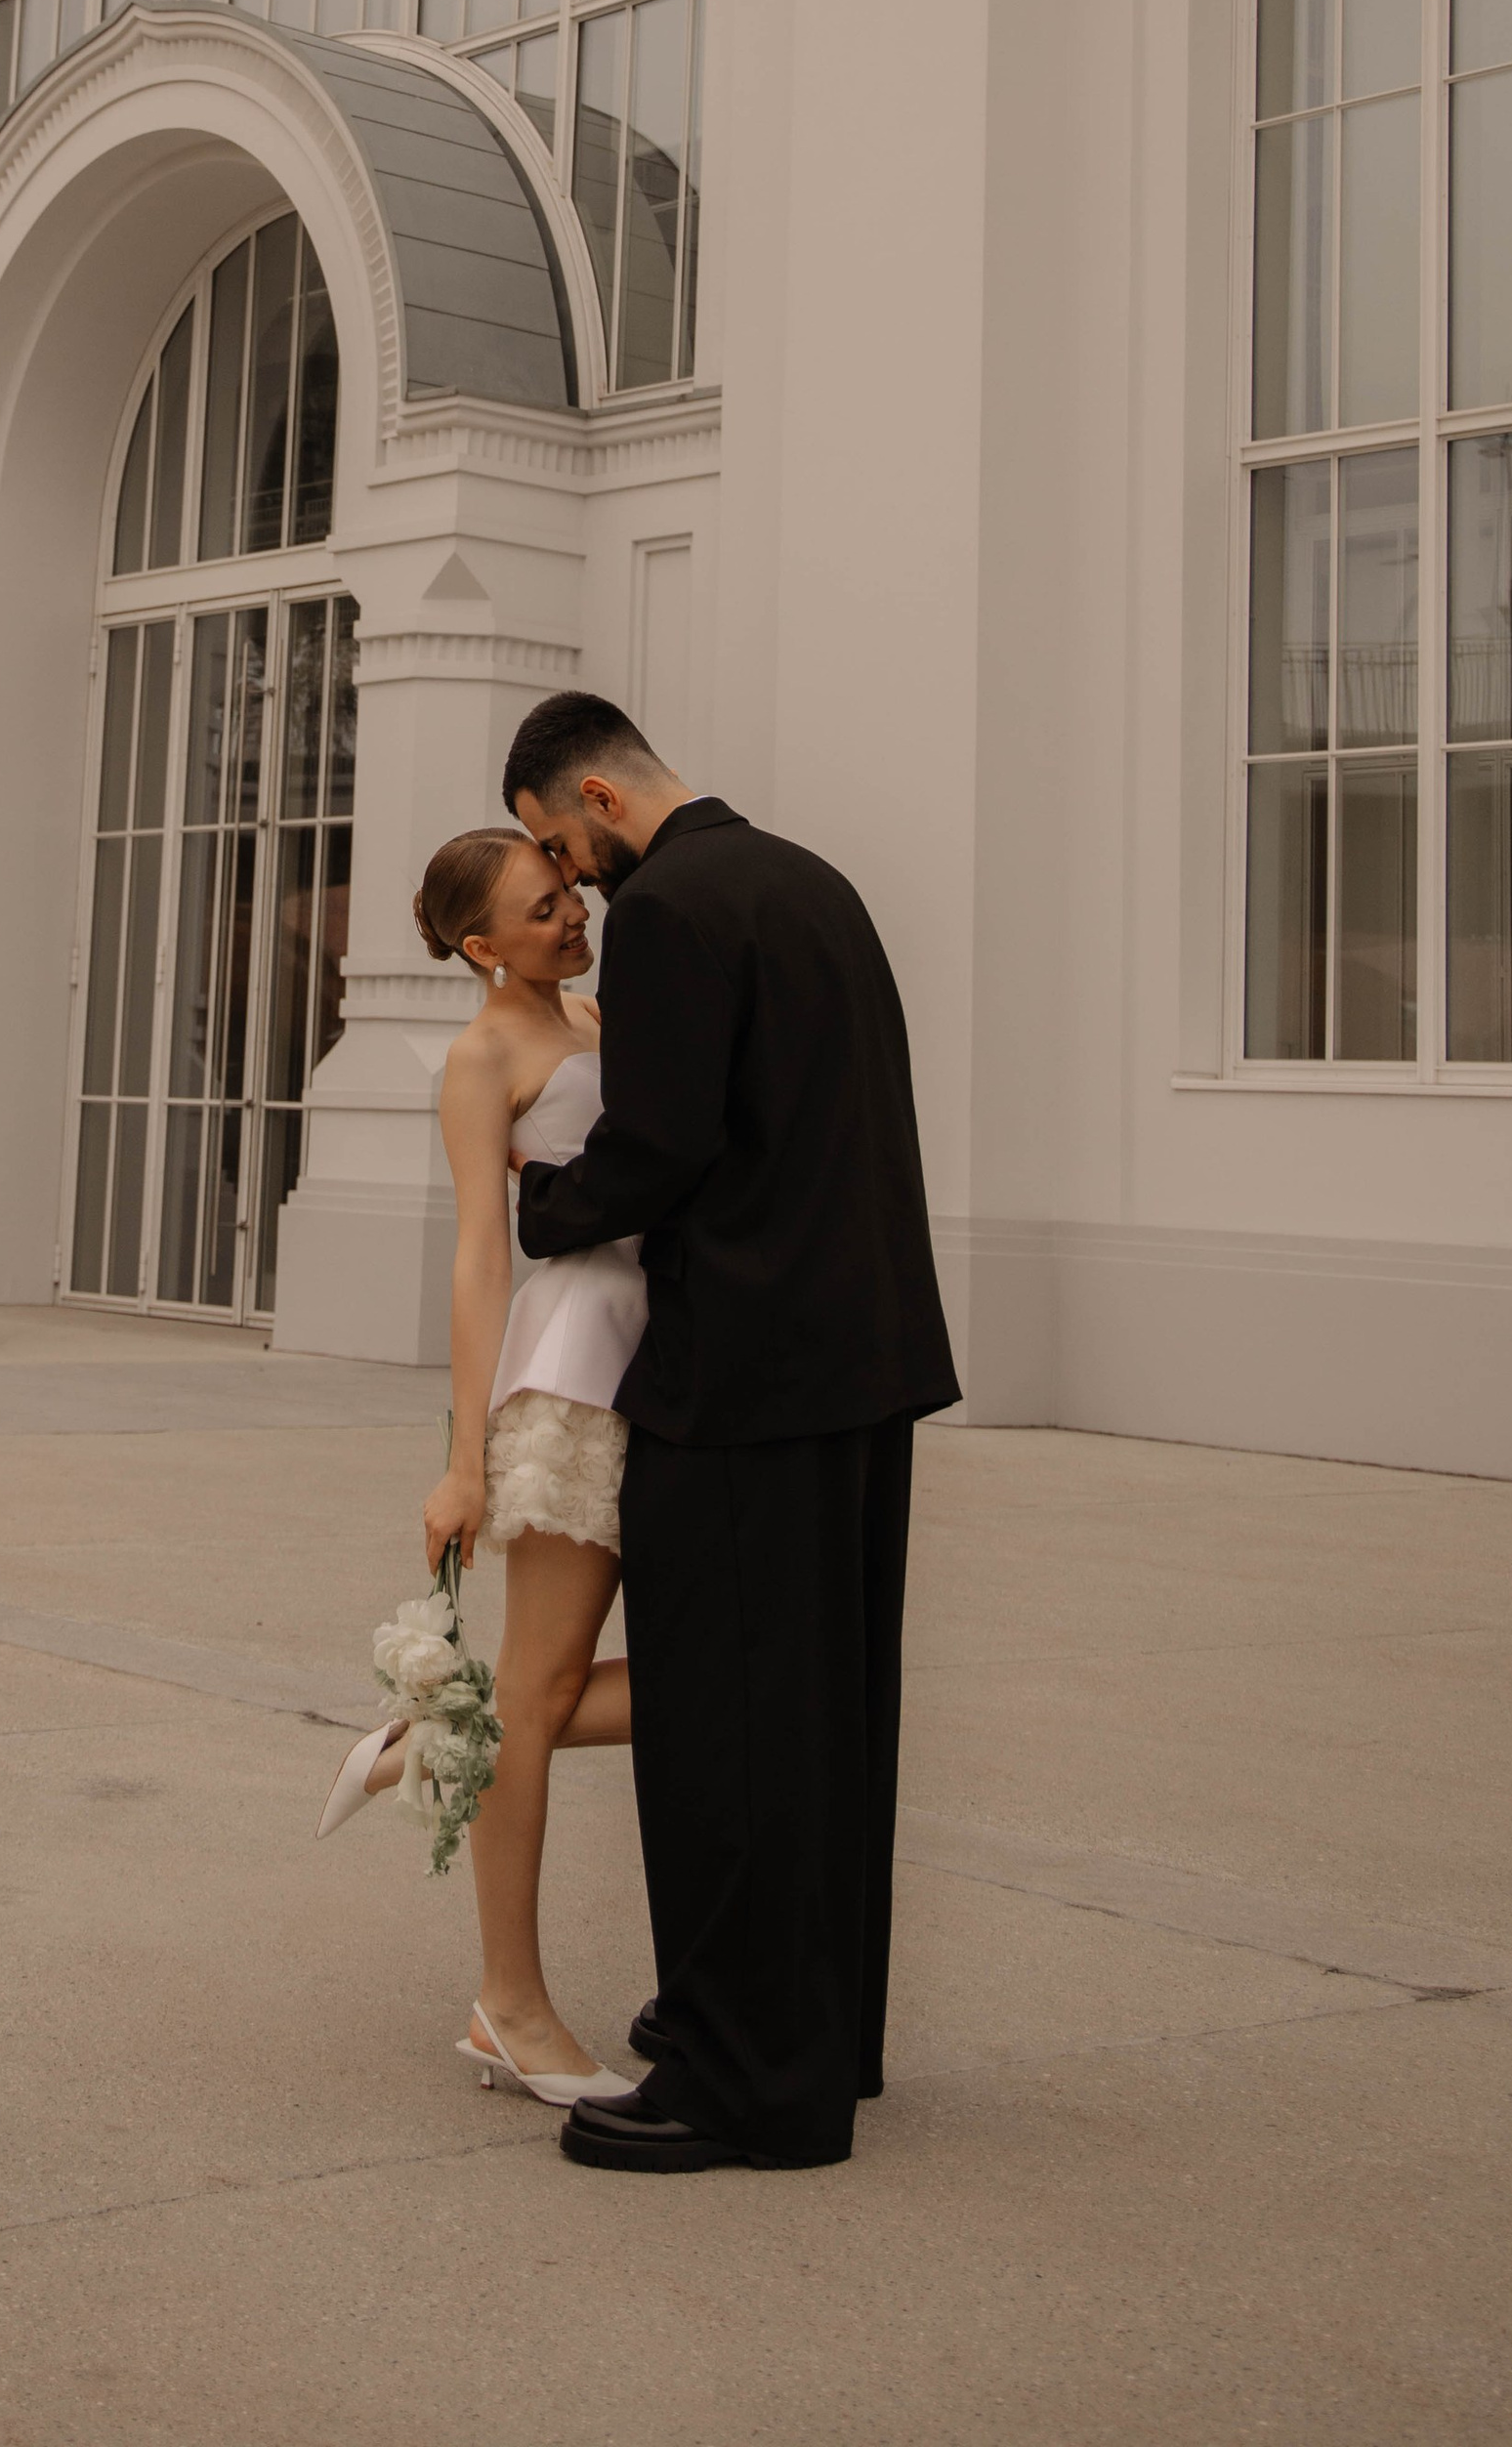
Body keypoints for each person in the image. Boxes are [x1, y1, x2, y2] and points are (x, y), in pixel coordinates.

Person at [502, 691, 960, 2175]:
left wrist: (549, 1206)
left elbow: (666, 1139)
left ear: (594, 793)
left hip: (745, 1374)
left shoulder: (675, 909)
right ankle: (816, 2035)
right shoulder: (811, 880)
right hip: (862, 1360)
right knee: (826, 1714)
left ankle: (745, 2081)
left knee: (724, 1726)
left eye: (553, 842)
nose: (565, 877)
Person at [314, 822, 637, 2106]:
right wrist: (465, 1461)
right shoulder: (482, 1054)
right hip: (566, 1375)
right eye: (538, 906)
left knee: (708, 1678)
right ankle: (510, 2006)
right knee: (543, 1690)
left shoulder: (612, 1016)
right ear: (477, 944)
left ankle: (439, 1739)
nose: (570, 914)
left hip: (664, 1365)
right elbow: (478, 1259)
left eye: (567, 892)